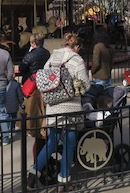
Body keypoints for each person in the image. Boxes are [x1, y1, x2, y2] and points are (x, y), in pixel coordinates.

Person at [27, 33, 90, 191]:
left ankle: (33, 173)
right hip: (70, 108)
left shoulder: (53, 58)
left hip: (53, 107)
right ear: (76, 47)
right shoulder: (77, 60)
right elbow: (86, 86)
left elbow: (45, 80)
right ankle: (64, 180)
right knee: (69, 144)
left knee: (51, 142)